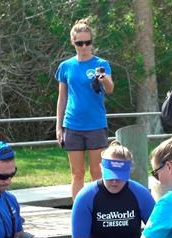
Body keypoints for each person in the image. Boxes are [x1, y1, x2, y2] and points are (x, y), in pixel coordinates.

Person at [71, 141, 155, 238]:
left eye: (120, 177)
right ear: (101, 168)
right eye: (110, 176)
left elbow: (158, 229)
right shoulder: (86, 197)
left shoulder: (140, 194)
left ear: (129, 172)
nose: (114, 181)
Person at [55, 18, 114, 200]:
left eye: (87, 43)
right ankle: (78, 211)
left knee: (97, 172)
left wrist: (104, 79)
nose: (84, 47)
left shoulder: (101, 64)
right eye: (80, 43)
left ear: (92, 42)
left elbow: (110, 89)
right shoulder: (66, 66)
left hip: (95, 123)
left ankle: (101, 209)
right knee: (77, 173)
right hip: (72, 124)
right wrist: (59, 127)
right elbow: (62, 97)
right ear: (73, 42)